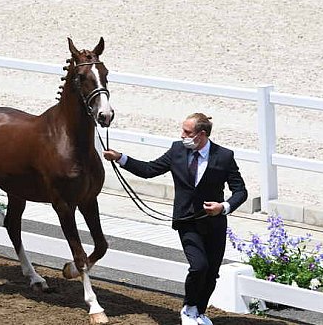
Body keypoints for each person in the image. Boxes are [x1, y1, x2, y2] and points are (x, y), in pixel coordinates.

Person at [103, 113, 247, 325]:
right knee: (199, 266)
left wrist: (223, 207)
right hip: (186, 220)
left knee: (211, 272)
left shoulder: (224, 156)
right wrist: (120, 158)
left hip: (214, 222)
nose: (182, 136)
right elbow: (149, 169)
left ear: (202, 134)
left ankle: (200, 311)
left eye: (187, 132)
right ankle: (189, 309)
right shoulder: (177, 150)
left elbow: (240, 191)